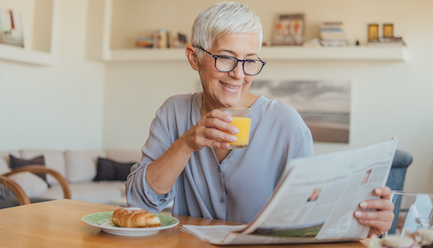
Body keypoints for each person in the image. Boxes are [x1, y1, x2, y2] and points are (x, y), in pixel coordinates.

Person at [126, 1, 394, 237]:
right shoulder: (173, 112)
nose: (239, 74)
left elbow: (308, 215)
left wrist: (364, 221)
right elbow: (140, 203)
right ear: (194, 58)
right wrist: (186, 143)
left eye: (250, 61)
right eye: (226, 58)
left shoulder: (286, 124)